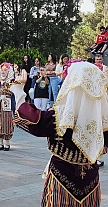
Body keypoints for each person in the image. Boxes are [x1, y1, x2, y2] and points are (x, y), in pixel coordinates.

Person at [13, 61, 108, 207]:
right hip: (90, 181)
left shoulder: (61, 117)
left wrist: (18, 90)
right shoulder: (103, 119)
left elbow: (34, 120)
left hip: (61, 180)